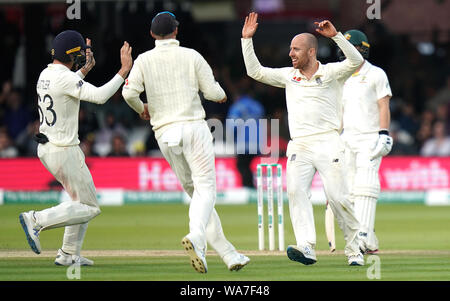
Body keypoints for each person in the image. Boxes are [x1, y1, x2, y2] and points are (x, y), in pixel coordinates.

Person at [122, 11, 250, 273]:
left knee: (197, 195)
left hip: (165, 134)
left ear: (151, 34)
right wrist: (222, 96)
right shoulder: (192, 55)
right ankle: (196, 238)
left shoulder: (144, 60)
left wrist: (141, 109)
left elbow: (128, 93)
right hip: (192, 128)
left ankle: (229, 255)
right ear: (176, 31)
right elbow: (213, 92)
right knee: (206, 191)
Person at [241, 12, 365, 266]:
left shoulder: (332, 73)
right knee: (296, 192)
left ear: (311, 52)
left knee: (338, 197)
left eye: (296, 49)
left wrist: (337, 37)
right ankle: (307, 246)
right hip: (299, 145)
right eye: (290, 49)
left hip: (328, 142)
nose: (291, 53)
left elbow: (356, 60)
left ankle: (354, 250)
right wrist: (246, 40)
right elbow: (255, 72)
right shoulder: (289, 76)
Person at [18, 30, 133, 266]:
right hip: (64, 150)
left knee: (78, 200)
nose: (83, 56)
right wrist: (123, 71)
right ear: (70, 54)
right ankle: (36, 220)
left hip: (49, 148)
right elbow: (100, 96)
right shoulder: (67, 79)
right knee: (89, 206)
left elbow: (67, 87)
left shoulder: (45, 74)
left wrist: (83, 70)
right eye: (79, 53)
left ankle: (69, 254)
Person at [326, 29, 393, 254]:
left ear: (361, 49)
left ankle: (362, 237)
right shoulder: (341, 77)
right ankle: (369, 238)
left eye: (349, 47)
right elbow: (340, 112)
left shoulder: (376, 74)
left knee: (366, 185)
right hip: (347, 139)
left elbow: (384, 104)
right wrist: (335, 137)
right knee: (350, 190)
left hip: (370, 137)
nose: (344, 52)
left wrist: (384, 133)